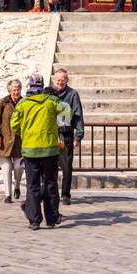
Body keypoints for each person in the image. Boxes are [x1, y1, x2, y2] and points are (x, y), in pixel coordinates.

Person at [10, 72, 74, 230]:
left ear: (30, 86)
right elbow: (67, 114)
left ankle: (34, 220)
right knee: (50, 183)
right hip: (49, 150)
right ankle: (52, 218)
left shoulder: (23, 104)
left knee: (32, 186)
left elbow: (14, 125)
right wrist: (57, 126)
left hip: (30, 150)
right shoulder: (52, 101)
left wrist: (25, 133)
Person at [52, 68, 85, 205]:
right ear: (55, 80)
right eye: (58, 80)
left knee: (66, 167)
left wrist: (78, 136)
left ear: (67, 80)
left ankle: (65, 194)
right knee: (50, 167)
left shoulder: (72, 94)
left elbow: (78, 116)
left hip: (66, 135)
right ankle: (52, 193)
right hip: (52, 135)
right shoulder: (50, 94)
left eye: (63, 80)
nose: (60, 82)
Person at [0, 79, 24, 203]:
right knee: (7, 167)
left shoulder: (24, 102)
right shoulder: (2, 103)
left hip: (19, 141)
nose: (16, 92)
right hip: (4, 140)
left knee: (18, 167)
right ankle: (8, 194)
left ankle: (17, 186)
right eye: (14, 90)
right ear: (9, 90)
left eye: (18, 89)